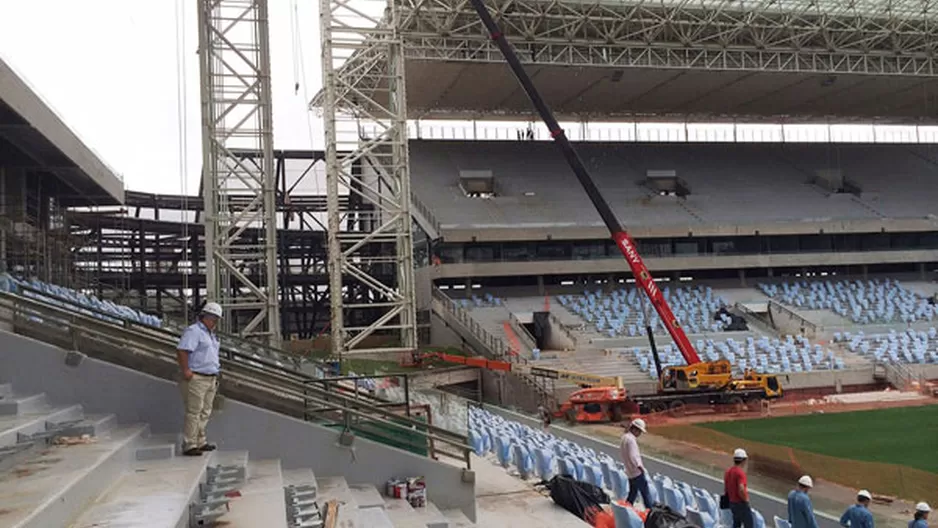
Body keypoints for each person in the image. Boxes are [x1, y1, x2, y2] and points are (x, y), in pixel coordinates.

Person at [177, 302, 223, 456]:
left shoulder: (210, 335)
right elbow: (183, 350)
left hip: (210, 377)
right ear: (205, 317)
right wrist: (186, 371)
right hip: (197, 377)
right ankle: (190, 443)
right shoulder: (194, 331)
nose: (215, 322)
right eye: (213, 319)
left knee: (205, 411)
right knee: (194, 411)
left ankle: (200, 440)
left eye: (216, 319)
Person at [620, 418, 651, 507]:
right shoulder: (631, 440)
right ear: (634, 429)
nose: (640, 434)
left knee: (632, 493)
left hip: (630, 472)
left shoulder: (625, 437)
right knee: (646, 494)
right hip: (636, 472)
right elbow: (633, 457)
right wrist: (641, 468)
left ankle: (626, 509)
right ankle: (650, 513)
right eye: (639, 431)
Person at [723, 448, 753, 528]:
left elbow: (726, 488)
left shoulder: (728, 471)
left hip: (732, 502)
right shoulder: (740, 473)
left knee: (736, 524)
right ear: (744, 460)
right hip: (740, 503)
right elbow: (741, 489)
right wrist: (746, 500)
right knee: (749, 524)